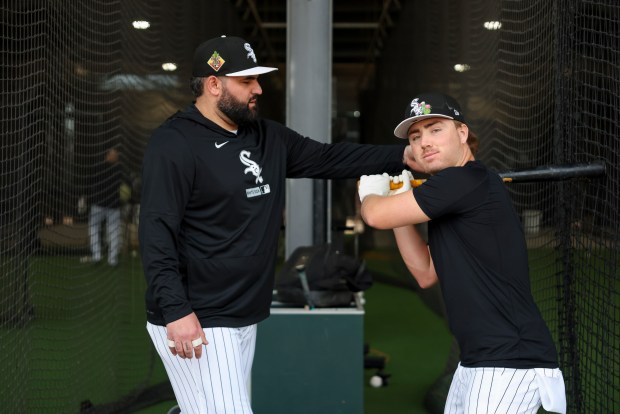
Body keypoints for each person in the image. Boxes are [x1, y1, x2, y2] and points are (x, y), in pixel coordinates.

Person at [138, 35, 416, 413]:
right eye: (247, 81)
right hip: (197, 316)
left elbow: (331, 158)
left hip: (242, 311)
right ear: (214, 84)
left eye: (257, 79)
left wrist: (405, 156)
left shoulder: (267, 137)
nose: (258, 88)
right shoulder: (174, 143)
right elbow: (156, 233)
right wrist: (176, 311)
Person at [357, 92, 566, 414]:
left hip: (510, 360)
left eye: (435, 129)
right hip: (478, 359)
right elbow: (425, 273)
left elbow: (373, 216)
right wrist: (398, 205)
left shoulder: (464, 180)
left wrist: (372, 196)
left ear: (462, 133)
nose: (425, 141)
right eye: (416, 136)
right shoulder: (453, 193)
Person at [82, 145, 123, 266]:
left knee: (96, 229)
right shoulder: (118, 170)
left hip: (101, 205)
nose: (116, 157)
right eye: (114, 155)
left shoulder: (98, 168)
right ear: (108, 155)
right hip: (110, 205)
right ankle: (111, 259)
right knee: (112, 231)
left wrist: (86, 197)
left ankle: (98, 256)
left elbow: (88, 184)